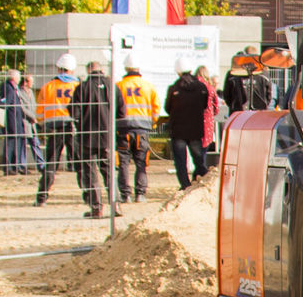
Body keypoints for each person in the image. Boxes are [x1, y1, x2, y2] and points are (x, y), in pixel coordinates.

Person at [71, 57, 117, 218]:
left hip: (87, 136)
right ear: (101, 69)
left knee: (90, 172)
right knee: (108, 170)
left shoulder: (82, 87)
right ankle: (116, 205)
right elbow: (122, 111)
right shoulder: (112, 86)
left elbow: (73, 112)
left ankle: (96, 207)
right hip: (107, 135)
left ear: (88, 70)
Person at [34, 53, 79, 205]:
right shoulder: (77, 86)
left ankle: (41, 197)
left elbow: (39, 112)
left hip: (54, 129)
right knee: (81, 162)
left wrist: (42, 124)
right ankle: (91, 196)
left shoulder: (48, 87)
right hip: (73, 128)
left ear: (58, 68)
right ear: (72, 70)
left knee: (51, 164)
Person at [115, 54, 158, 202]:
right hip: (142, 130)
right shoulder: (148, 86)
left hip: (123, 130)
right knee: (141, 163)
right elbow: (156, 109)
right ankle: (140, 194)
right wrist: (151, 123)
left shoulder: (119, 86)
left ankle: (125, 195)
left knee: (123, 163)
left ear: (126, 68)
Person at [164, 56, 210, 188]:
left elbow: (168, 108)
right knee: (198, 158)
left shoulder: (173, 88)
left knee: (180, 161)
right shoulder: (201, 87)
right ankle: (203, 181)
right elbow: (205, 105)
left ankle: (185, 185)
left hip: (178, 130)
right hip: (196, 129)